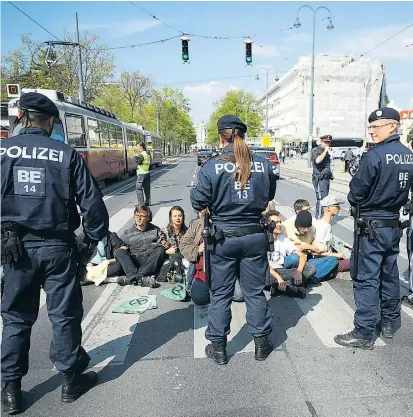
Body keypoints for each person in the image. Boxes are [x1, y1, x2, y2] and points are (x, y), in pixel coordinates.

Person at [0, 92, 109, 414]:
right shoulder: (65, 154)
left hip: (15, 247)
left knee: (16, 318)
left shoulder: (3, 152)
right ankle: (70, 380)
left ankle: (10, 390)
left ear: (20, 118)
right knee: (64, 316)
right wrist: (91, 241)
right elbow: (92, 203)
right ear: (50, 122)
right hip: (58, 246)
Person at [190, 114, 278, 365]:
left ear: (221, 136)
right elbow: (269, 194)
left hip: (223, 239)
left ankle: (218, 348)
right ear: (243, 134)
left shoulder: (211, 165)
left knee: (220, 293)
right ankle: (261, 343)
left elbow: (198, 201)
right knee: (254, 292)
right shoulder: (263, 164)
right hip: (254, 236)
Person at [335, 107, 413, 349]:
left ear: (393, 126)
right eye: (371, 127)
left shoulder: (375, 156)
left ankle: (365, 332)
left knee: (367, 278)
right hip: (393, 224)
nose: (372, 131)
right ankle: (390, 323)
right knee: (389, 275)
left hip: (371, 225)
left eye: (376, 127)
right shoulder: (407, 155)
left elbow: (356, 193)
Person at [179, 210, 244, 305]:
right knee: (199, 298)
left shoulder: (227, 222)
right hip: (202, 274)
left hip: (224, 273)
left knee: (239, 295)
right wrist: (198, 249)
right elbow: (183, 245)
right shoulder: (197, 224)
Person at [265, 210, 316, 298]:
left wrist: (298, 272)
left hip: (281, 270)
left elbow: (302, 255)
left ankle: (280, 286)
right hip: (267, 272)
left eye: (280, 222)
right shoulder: (262, 239)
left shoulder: (282, 238)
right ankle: (286, 286)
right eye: (276, 222)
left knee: (311, 269)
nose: (279, 225)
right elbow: (262, 264)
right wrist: (278, 278)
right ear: (268, 224)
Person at [117, 204, 164, 287]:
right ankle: (139, 278)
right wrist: (122, 248)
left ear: (148, 218)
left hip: (149, 260)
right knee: (119, 252)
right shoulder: (127, 232)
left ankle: (132, 278)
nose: (139, 218)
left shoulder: (155, 230)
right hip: (135, 260)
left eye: (142, 216)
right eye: (137, 215)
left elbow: (161, 243)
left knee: (160, 249)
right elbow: (119, 246)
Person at [314, 195, 350, 272]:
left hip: (329, 258)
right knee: (355, 262)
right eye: (336, 205)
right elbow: (315, 252)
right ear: (328, 208)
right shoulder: (321, 227)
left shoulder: (327, 224)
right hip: (324, 262)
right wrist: (336, 255)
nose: (339, 208)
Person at [311, 135, 333, 219]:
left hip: (326, 179)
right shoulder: (316, 151)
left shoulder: (327, 151)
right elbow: (317, 160)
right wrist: (325, 152)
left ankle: (323, 218)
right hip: (319, 179)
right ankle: (318, 218)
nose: (327, 144)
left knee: (325, 199)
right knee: (321, 200)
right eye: (326, 142)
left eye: (328, 142)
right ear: (321, 142)